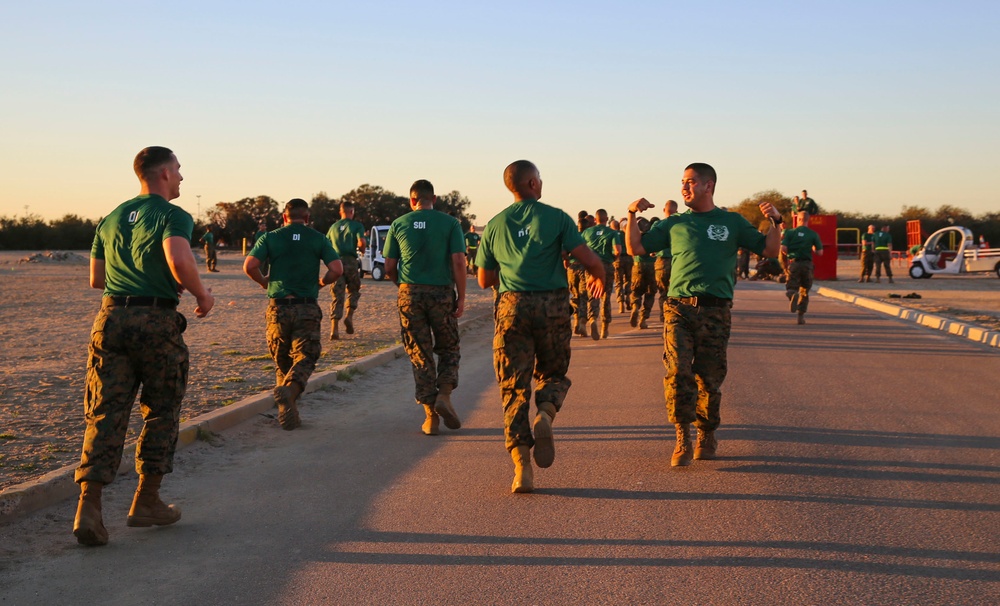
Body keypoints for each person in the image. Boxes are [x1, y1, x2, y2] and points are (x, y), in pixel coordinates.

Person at [73, 146, 215, 547]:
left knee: (105, 411)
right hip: (155, 322)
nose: (183, 177)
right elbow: (178, 258)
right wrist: (202, 295)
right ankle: (146, 500)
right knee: (162, 408)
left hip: (110, 319)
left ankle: (89, 506)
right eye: (180, 169)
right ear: (165, 173)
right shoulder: (173, 215)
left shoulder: (111, 218)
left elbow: (97, 279)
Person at [626, 163, 780, 467]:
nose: (684, 187)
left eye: (691, 182)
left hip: (715, 310)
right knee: (677, 371)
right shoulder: (674, 224)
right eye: (682, 182)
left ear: (708, 186)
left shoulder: (731, 222)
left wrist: (776, 223)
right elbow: (636, 247)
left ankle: (707, 432)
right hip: (679, 307)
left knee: (709, 378)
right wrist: (631, 215)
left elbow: (771, 252)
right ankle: (682, 436)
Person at [476, 160, 606, 493]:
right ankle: (546, 413)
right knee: (554, 372)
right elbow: (589, 260)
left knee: (513, 387)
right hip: (552, 306)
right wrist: (599, 277)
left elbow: (483, 279)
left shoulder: (494, 224)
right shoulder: (557, 217)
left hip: (511, 307)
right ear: (533, 183)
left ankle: (522, 467)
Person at [245, 199, 342, 430]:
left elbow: (249, 265)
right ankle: (290, 393)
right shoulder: (318, 238)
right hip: (306, 306)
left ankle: (288, 409)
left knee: (282, 362)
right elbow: (337, 269)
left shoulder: (270, 237)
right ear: (307, 218)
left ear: (284, 216)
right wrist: (321, 282)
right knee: (306, 356)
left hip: (278, 307)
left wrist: (263, 282)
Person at [383, 180, 466, 436]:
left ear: (412, 200)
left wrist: (403, 286)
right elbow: (459, 261)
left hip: (410, 293)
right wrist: (461, 297)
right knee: (449, 347)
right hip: (441, 292)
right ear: (435, 199)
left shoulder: (399, 224)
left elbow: (388, 266)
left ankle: (430, 416)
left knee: (420, 352)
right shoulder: (450, 223)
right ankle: (444, 393)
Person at [326, 201, 366, 340]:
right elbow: (361, 242)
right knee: (354, 290)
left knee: (337, 294)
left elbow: (326, 245)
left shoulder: (333, 227)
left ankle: (334, 329)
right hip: (350, 261)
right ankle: (349, 316)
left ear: (340, 211)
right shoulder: (356, 226)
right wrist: (362, 250)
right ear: (352, 212)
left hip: (336, 262)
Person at [581, 209, 620, 339]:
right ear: (607, 219)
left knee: (593, 295)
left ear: (595, 220)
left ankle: (592, 319)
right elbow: (617, 250)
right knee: (606, 296)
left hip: (591, 266)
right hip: (606, 266)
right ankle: (605, 327)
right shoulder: (613, 233)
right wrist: (613, 258)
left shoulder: (587, 232)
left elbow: (580, 248)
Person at [782, 211, 824, 325]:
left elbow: (783, 248)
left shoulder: (790, 232)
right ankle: (800, 316)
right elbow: (820, 252)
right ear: (807, 220)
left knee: (791, 286)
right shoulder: (813, 234)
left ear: (798, 219)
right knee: (805, 291)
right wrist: (813, 248)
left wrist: (790, 255)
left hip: (794, 263)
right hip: (807, 264)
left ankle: (792, 295)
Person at [567, 212, 592, 337]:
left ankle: (576, 321)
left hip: (571, 267)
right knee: (584, 296)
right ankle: (582, 321)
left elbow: (564, 251)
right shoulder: (588, 236)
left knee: (575, 295)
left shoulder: (571, 235)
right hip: (584, 267)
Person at [630, 220, 657, 329]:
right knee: (650, 293)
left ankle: (635, 306)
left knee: (636, 291)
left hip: (638, 264)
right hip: (652, 265)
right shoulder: (653, 237)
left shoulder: (636, 237)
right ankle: (643, 319)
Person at [655, 200, 678, 322]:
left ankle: (663, 317)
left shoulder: (658, 225)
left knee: (663, 292)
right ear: (677, 211)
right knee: (675, 293)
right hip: (676, 262)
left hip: (661, 262)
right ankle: (673, 317)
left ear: (664, 210)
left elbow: (651, 244)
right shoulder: (681, 225)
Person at [610, 219, 633, 313]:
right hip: (628, 258)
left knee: (618, 282)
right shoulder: (625, 234)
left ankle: (620, 303)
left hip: (617, 259)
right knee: (628, 280)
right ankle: (628, 296)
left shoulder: (612, 235)